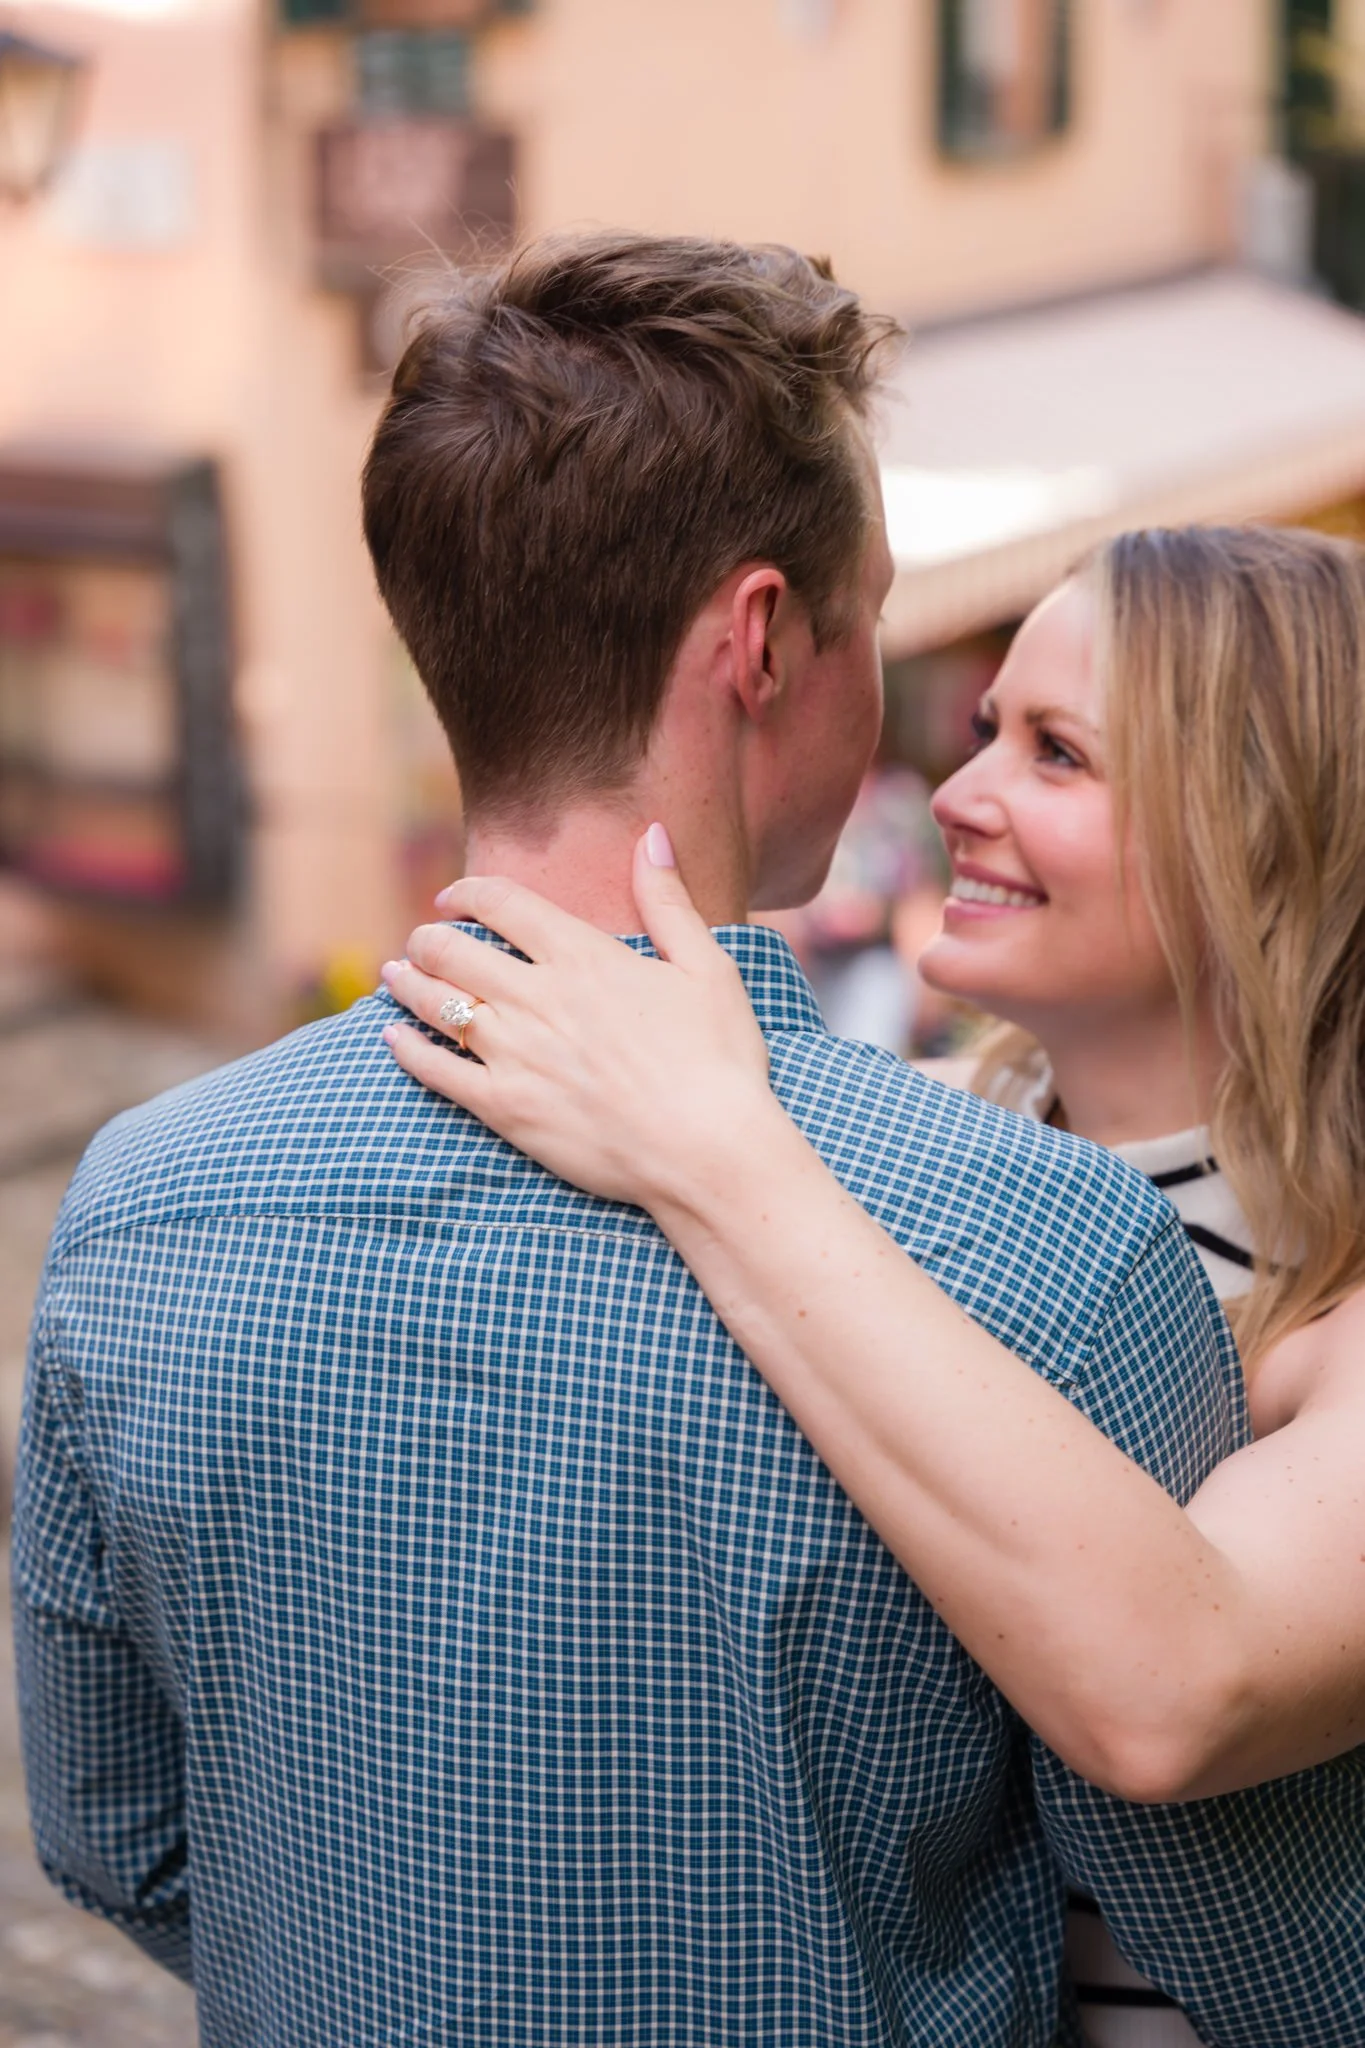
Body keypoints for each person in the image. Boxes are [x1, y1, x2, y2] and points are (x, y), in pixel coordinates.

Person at [8, 237, 1352, 2048]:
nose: (949, 786)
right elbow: (1245, 1934)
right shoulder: (1051, 1252)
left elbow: (121, 1835)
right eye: (887, 630)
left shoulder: (144, 1205)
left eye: (1053, 751)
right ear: (765, 639)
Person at [381, 521, 1365, 2047]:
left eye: (1059, 755)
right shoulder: (878, 1166)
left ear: (1275, 819)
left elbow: (1179, 1688)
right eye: (988, 736)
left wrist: (716, 1153)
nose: (960, 799)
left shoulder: (1340, 1293)